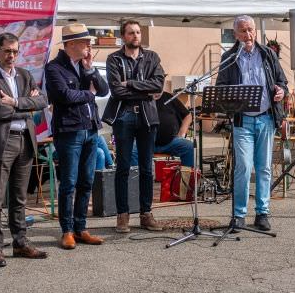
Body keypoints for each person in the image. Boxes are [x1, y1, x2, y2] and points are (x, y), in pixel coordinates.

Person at [0, 32, 48, 267]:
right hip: (2, 143)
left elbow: (42, 102)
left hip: (25, 141)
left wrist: (15, 102)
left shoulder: (25, 75)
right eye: (7, 51)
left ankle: (20, 243)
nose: (12, 56)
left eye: (16, 51)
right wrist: (26, 108)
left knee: (19, 197)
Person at [216, 15, 288, 232]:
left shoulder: (267, 54)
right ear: (235, 34)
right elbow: (220, 88)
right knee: (244, 168)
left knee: (264, 167)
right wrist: (232, 99)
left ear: (255, 31)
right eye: (243, 31)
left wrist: (281, 90)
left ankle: (262, 213)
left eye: (251, 30)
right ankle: (238, 215)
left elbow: (281, 80)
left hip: (266, 118)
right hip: (243, 120)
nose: (248, 35)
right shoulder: (229, 57)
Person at [45, 23, 109, 249]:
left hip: (91, 129)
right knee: (69, 183)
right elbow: (63, 96)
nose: (89, 46)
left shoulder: (86, 65)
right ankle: (67, 230)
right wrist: (88, 95)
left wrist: (91, 70)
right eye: (85, 42)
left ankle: (81, 228)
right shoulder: (54, 68)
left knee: (86, 181)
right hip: (69, 131)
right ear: (71, 44)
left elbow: (103, 90)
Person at [102, 20, 165, 233]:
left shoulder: (152, 57)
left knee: (147, 168)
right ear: (123, 36)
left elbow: (158, 85)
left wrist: (129, 83)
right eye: (131, 33)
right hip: (124, 116)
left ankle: (146, 214)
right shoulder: (114, 59)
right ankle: (123, 215)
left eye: (138, 32)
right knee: (123, 167)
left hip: (147, 117)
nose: (136, 36)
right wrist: (144, 91)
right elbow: (116, 91)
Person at [131, 90, 194, 167]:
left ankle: (186, 178)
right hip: (145, 142)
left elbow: (188, 116)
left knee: (189, 146)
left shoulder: (169, 97)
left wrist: (182, 133)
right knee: (131, 150)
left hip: (170, 142)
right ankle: (139, 177)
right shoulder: (140, 97)